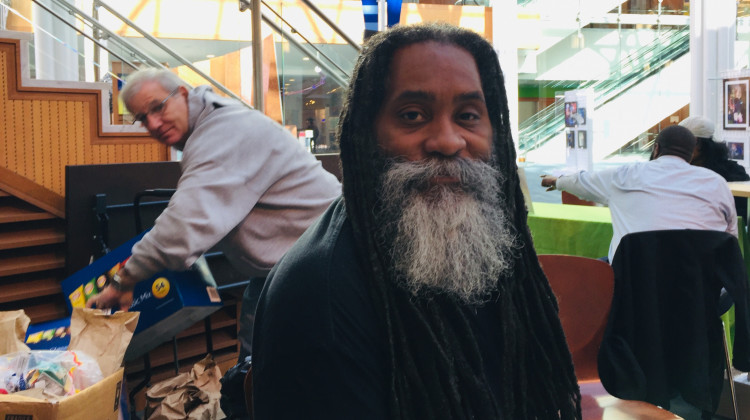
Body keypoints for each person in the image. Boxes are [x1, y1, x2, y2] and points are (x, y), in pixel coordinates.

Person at [252, 23, 581, 419]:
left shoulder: (482, 249)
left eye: (468, 115)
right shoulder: (317, 299)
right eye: (412, 115)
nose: (447, 140)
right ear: (366, 135)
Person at [86, 69, 342, 360]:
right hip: (294, 265)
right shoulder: (213, 122)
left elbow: (183, 226)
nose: (153, 124)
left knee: (281, 374)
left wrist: (124, 280)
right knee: (257, 366)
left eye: (158, 107)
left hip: (320, 270)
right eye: (142, 118)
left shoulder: (223, 131)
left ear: (182, 94)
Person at [541, 125, 737, 263]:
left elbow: (581, 182)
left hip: (635, 286)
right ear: (690, 153)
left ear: (657, 148)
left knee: (594, 271)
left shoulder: (624, 175)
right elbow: (730, 237)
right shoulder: (717, 183)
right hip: (699, 288)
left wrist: (557, 181)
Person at [680, 115, 750, 218]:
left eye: (682, 143)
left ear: (697, 143)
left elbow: (741, 210)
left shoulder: (732, 171)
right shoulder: (680, 169)